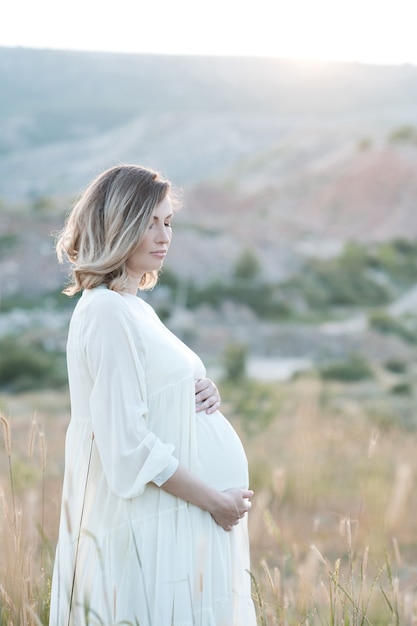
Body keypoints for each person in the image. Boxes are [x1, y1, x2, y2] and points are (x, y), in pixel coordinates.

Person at [49, 164, 256, 626]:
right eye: (149, 221)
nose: (164, 235)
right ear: (119, 224)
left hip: (171, 518)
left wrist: (197, 389)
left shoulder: (131, 307)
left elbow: (149, 394)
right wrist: (214, 502)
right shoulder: (105, 311)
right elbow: (126, 446)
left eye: (168, 222)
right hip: (152, 521)